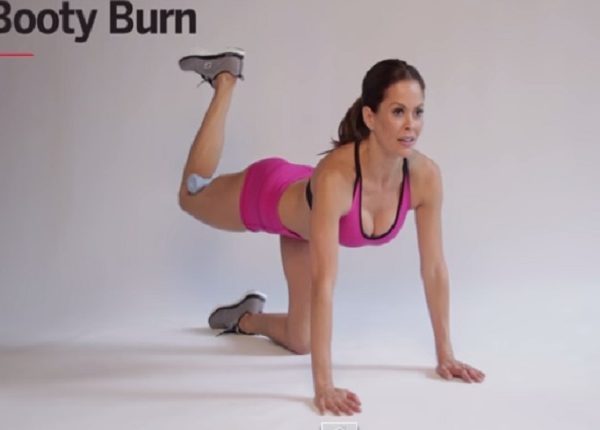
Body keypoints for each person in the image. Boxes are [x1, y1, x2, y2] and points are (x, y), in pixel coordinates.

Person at [177, 48, 486, 416]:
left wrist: (445, 355)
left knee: (301, 340)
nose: (411, 125)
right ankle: (225, 80)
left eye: (418, 112)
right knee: (190, 197)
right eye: (398, 112)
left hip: (306, 228)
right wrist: (324, 386)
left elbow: (434, 269)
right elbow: (324, 281)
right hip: (269, 195)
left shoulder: (425, 177)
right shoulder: (337, 177)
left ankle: (244, 319)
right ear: (370, 117)